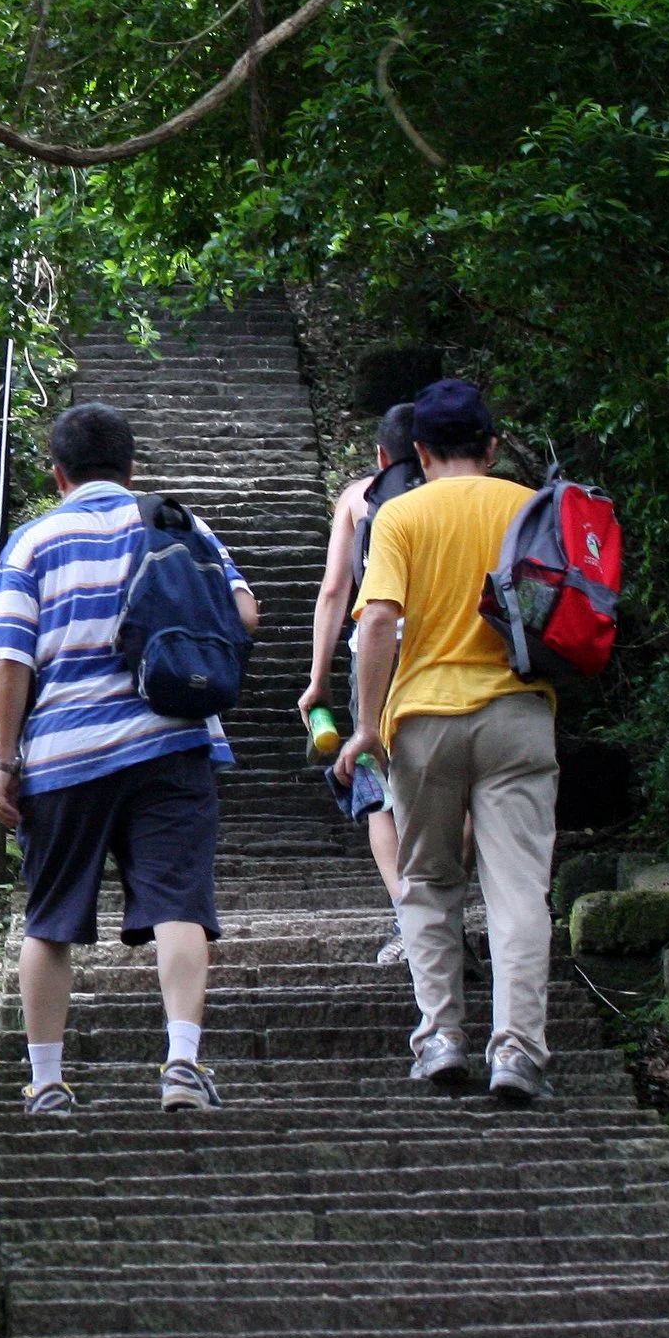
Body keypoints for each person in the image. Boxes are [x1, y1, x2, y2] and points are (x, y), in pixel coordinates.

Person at [0, 402, 261, 1115]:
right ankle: (182, 1064)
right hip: (171, 739)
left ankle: (47, 1083)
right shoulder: (176, 521)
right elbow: (245, 613)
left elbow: (9, 659)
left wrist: (5, 761)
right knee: (180, 904)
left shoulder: (31, 543)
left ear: (58, 473)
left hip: (64, 755)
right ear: (132, 468)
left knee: (49, 918)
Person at [335, 379, 558, 1103]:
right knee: (517, 890)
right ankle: (517, 1051)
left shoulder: (400, 514)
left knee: (429, 882)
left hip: (424, 720)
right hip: (517, 713)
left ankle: (440, 1040)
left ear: (421, 452)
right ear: (491, 446)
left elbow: (376, 620)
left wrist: (367, 726)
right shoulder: (528, 508)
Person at [300, 403, 420, 965]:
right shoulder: (455, 497)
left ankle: (409, 915)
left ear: (380, 454)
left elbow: (334, 593)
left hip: (375, 662)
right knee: (456, 791)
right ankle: (438, 908)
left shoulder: (358, 498)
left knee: (380, 797)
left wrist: (318, 680)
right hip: (444, 655)